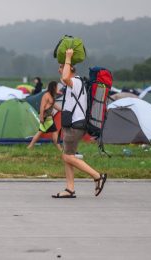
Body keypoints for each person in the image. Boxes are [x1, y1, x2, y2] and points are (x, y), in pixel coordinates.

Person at [52, 48, 107, 199]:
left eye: (61, 67)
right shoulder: (75, 83)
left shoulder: (75, 82)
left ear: (69, 69)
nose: (59, 69)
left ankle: (97, 176)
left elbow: (64, 78)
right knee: (68, 155)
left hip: (75, 126)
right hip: (73, 125)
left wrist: (68, 57)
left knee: (67, 157)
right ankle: (70, 189)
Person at [27, 81, 62, 151]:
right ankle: (60, 149)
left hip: (49, 118)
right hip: (46, 117)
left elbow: (53, 105)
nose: (57, 88)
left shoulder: (52, 95)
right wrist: (41, 118)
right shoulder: (46, 95)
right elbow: (42, 107)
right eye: (56, 87)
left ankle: (30, 146)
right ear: (53, 87)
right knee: (53, 133)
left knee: (41, 132)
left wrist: (61, 110)